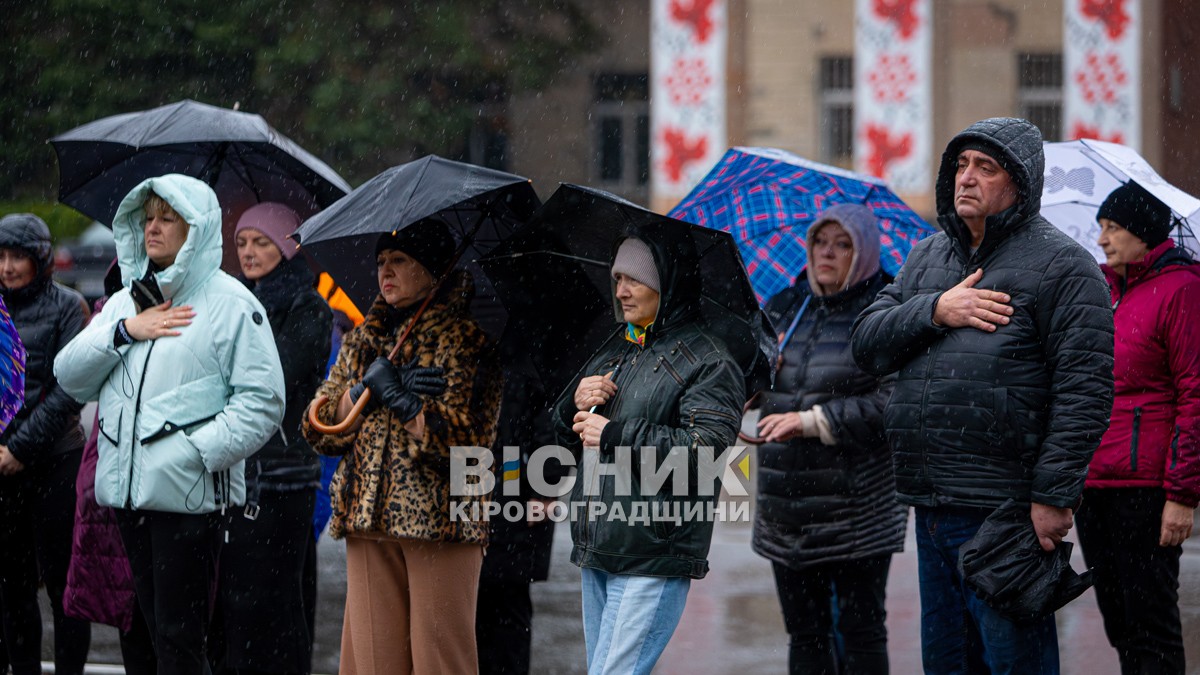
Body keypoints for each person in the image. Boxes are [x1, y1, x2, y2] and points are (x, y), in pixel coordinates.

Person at [850, 117, 1115, 673]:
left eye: (985, 168)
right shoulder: (928, 257)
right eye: (961, 165)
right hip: (932, 504)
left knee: (1013, 661)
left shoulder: (1066, 267)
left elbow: (1084, 390)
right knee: (947, 662)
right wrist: (934, 310)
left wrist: (1053, 496)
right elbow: (868, 344)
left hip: (1006, 512)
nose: (966, 178)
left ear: (1018, 183)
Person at [54, 174, 286, 675]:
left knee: (181, 641)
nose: (152, 228)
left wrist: (195, 455)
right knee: (142, 637)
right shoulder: (126, 300)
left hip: (189, 501)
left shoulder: (233, 303)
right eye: (147, 218)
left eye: (166, 218)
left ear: (195, 228)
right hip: (128, 500)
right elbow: (69, 375)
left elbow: (264, 401)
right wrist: (124, 329)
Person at [302, 219, 503, 675]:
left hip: (443, 524)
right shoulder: (361, 342)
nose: (385, 273)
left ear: (432, 269)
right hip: (368, 520)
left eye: (400, 261)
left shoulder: (467, 343)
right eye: (380, 263)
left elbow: (470, 446)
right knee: (373, 661)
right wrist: (360, 394)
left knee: (440, 660)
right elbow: (318, 427)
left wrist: (405, 403)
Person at [552, 230, 746, 675]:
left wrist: (616, 433)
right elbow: (565, 438)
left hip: (653, 551)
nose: (620, 290)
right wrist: (574, 403)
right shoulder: (622, 345)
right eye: (617, 277)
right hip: (597, 548)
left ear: (668, 283)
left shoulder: (710, 361)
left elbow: (704, 457)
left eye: (634, 279)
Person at [752, 203, 905, 674]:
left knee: (860, 633)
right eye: (820, 242)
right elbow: (751, 381)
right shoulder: (783, 307)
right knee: (805, 635)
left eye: (842, 245)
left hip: (857, 511)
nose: (827, 254)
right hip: (785, 505)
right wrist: (749, 387)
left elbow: (892, 405)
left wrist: (812, 420)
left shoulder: (884, 313)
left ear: (863, 253)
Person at [1074, 181, 1200, 673]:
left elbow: (1195, 394)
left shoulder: (1183, 290)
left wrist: (1182, 495)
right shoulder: (1105, 290)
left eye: (1113, 228)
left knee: (1151, 624)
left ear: (1144, 233)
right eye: (1101, 227)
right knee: (1118, 620)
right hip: (1095, 484)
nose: (1101, 238)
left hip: (1146, 488)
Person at [206, 203, 332, 675]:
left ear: (286, 246)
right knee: (234, 604)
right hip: (239, 469)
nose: (249, 252)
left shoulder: (308, 306)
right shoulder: (234, 301)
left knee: (278, 604)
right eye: (241, 243)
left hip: (284, 473)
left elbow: (273, 377)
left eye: (261, 241)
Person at [0, 213, 91, 675]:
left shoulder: (68, 306)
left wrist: (20, 448)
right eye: (0, 256)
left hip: (55, 461)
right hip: (2, 467)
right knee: (12, 587)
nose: (8, 267)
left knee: (64, 585)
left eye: (17, 256)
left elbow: (69, 390)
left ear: (39, 259)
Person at [475, 368, 561, 675]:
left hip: (515, 490)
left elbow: (550, 418)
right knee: (475, 601)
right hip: (477, 480)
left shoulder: (532, 355)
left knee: (504, 600)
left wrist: (546, 486)